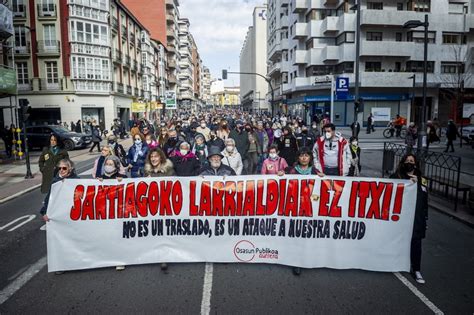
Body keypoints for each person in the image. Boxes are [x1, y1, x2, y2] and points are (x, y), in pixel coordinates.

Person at [390, 154, 428, 284]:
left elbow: (424, 201)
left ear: (415, 164)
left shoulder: (421, 180)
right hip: (399, 216)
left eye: (411, 161)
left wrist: (425, 219)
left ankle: (416, 269)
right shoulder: (395, 177)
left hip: (416, 217)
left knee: (416, 242)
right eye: (407, 161)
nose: (409, 163)